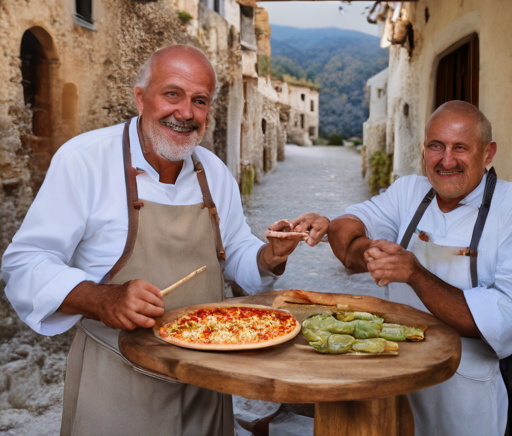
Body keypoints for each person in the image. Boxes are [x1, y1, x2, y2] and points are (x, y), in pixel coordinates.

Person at [1, 45, 319, 436]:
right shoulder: (83, 160)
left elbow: (234, 256)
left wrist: (270, 255)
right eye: (172, 94)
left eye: (199, 101)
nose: (185, 113)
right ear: (140, 98)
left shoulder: (215, 173)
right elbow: (25, 263)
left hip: (207, 378)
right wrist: (102, 299)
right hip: (117, 381)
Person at [290, 101, 511, 436]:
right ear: (423, 149)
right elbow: (347, 230)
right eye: (436, 146)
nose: (446, 160)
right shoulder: (409, 191)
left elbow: (502, 324)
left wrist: (414, 273)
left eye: (460, 148)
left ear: (488, 153)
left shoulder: (508, 210)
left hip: (468, 394)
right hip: (397, 375)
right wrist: (365, 246)